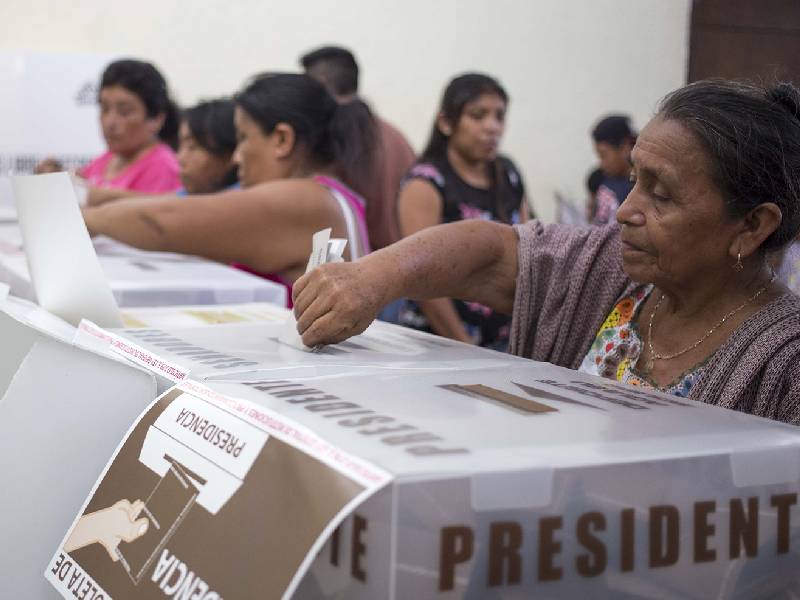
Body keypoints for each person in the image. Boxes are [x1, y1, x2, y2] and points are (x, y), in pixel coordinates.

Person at [292, 80, 800, 424]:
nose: (625, 210)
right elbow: (491, 252)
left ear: (753, 226)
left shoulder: (784, 360)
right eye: (633, 181)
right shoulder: (609, 272)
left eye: (661, 195)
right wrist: (373, 277)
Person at [81, 73, 373, 302]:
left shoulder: (305, 199)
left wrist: (87, 218)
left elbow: (164, 221)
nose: (236, 156)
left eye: (244, 138)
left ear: (282, 140)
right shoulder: (328, 196)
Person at [395, 73, 528, 350]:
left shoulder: (508, 174)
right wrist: (463, 344)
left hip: (502, 343)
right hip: (436, 342)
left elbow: (528, 252)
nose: (492, 127)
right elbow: (420, 274)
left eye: (499, 116)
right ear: (446, 122)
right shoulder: (426, 183)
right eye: (478, 115)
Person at [301, 45, 415, 249]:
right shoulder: (397, 137)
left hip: (360, 266)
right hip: (398, 263)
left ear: (321, 84)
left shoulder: (332, 139)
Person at [75, 59, 181, 205]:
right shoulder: (108, 158)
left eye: (124, 112)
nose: (110, 122)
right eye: (104, 109)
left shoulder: (163, 168)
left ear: (156, 119)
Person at [176, 99, 238, 194]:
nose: (180, 158)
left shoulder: (245, 200)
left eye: (191, 147)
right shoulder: (190, 194)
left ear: (229, 156)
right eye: (180, 146)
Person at [589, 114, 637, 225]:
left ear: (625, 147)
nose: (601, 163)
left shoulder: (638, 188)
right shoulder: (598, 178)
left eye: (603, 155)